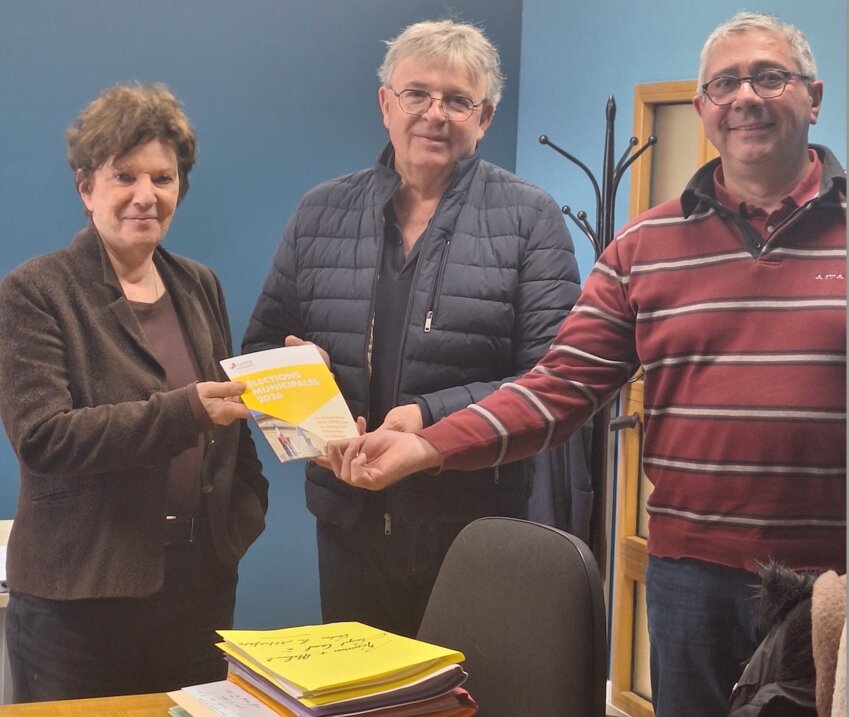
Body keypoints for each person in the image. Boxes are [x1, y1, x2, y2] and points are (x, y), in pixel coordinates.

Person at [328, 12, 846, 716]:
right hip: (686, 576)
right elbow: (559, 387)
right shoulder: (645, 244)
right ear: (701, 110)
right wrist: (425, 443)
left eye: (768, 77)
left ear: (812, 97)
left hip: (832, 579)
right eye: (723, 83)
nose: (744, 97)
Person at [242, 19, 580, 638]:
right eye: (417, 94)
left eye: (458, 100)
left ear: (484, 118)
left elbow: (551, 380)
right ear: (385, 105)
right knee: (359, 697)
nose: (435, 113)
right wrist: (302, 395)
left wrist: (426, 415)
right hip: (348, 521)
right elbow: (261, 349)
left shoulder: (531, 218)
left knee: (465, 695)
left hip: (475, 527)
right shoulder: (321, 212)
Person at [0, 83, 269, 702]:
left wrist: (239, 520)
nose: (146, 195)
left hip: (197, 592)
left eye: (164, 178)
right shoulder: (37, 291)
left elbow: (227, 423)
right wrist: (186, 411)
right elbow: (43, 438)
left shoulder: (199, 285)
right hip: (78, 604)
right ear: (85, 186)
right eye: (124, 175)